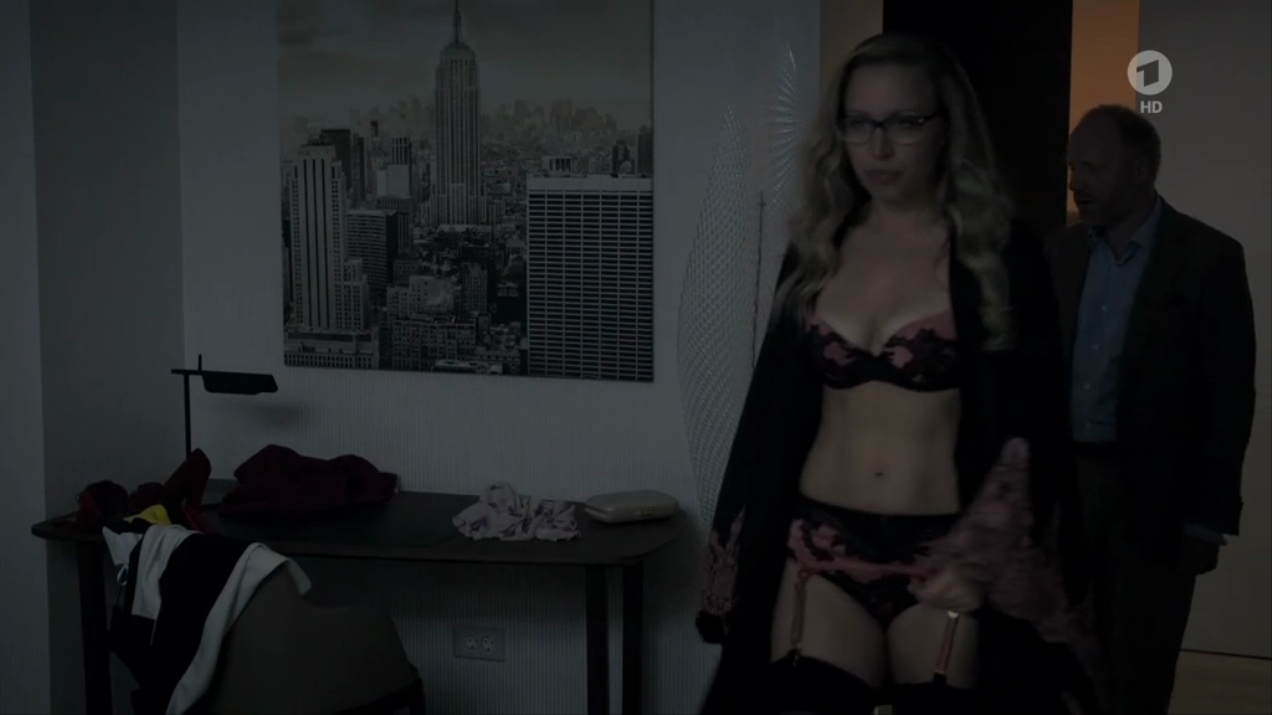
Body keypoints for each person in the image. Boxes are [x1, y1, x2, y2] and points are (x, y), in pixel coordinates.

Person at [696, 33, 1103, 715]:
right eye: (858, 123)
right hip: (819, 551)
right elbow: (771, 414)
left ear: (945, 128)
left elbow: (1032, 424)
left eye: (903, 123)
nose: (878, 148)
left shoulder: (997, 252)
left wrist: (983, 555)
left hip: (945, 554)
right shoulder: (819, 247)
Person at [1046, 104, 1257, 715]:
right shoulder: (1059, 253)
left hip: (1156, 500)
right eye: (1071, 167)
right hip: (1067, 491)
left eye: (1092, 167)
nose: (1076, 182)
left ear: (1139, 169)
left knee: (1138, 672)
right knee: (1060, 668)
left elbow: (1227, 398)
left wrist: (1207, 520)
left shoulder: (1208, 257)